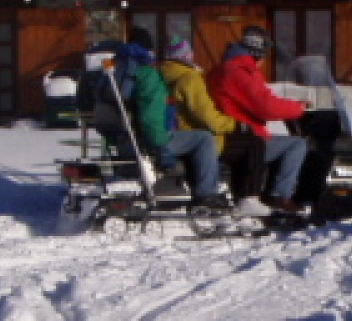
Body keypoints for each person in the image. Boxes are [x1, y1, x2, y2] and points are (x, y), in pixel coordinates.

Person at [93, 27, 229, 211]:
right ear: (150, 50)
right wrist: (163, 149)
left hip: (124, 139)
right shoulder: (147, 74)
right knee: (204, 138)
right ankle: (206, 195)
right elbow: (151, 115)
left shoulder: (117, 69)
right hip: (148, 139)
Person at [159, 35, 271, 217]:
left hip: (184, 132)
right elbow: (208, 118)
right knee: (252, 144)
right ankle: (245, 198)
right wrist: (235, 124)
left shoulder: (168, 73)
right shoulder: (189, 78)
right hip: (199, 134)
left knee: (249, 143)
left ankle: (244, 198)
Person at [206, 25, 309, 214]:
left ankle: (269, 195)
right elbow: (265, 106)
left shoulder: (225, 68)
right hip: (242, 135)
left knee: (283, 142)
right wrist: (299, 108)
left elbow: (262, 98)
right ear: (257, 53)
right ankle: (278, 196)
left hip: (234, 132)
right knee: (296, 145)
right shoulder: (240, 72)